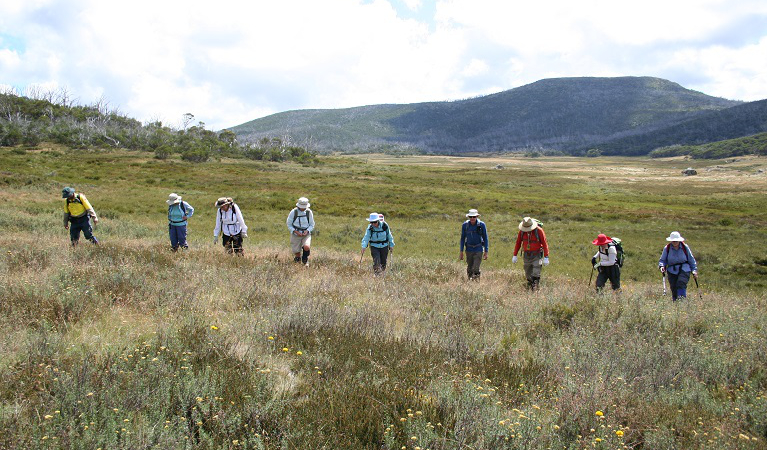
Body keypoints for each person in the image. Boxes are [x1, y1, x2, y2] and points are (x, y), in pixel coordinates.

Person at [658, 231, 698, 301]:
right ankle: (676, 304)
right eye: (673, 241)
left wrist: (694, 271)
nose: (675, 242)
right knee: (673, 288)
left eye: (676, 241)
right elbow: (662, 260)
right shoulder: (667, 248)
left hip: (684, 269)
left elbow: (691, 259)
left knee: (681, 283)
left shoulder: (685, 247)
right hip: (671, 270)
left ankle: (682, 301)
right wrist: (662, 266)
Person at [512, 217, 549, 290]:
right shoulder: (522, 231)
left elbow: (544, 243)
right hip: (527, 254)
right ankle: (530, 285)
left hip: (537, 254)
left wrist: (546, 257)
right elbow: (518, 243)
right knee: (527, 271)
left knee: (536, 270)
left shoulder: (539, 231)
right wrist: (515, 255)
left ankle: (535, 288)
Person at [459, 209, 489, 281]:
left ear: (477, 216)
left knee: (476, 268)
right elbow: (462, 238)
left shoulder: (482, 225)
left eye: (474, 217)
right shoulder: (465, 225)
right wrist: (461, 251)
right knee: (469, 268)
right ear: (469, 217)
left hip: (478, 249)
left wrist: (486, 251)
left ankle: (476, 282)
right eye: (471, 217)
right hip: (469, 249)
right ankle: (470, 281)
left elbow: (485, 238)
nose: (472, 218)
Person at [287, 197, 315, 266]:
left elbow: (312, 224)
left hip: (306, 234)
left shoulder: (309, 212)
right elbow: (289, 224)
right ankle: (297, 260)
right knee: (296, 252)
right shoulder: (293, 212)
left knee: (307, 246)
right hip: (295, 234)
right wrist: (295, 231)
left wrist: (307, 231)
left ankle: (305, 260)